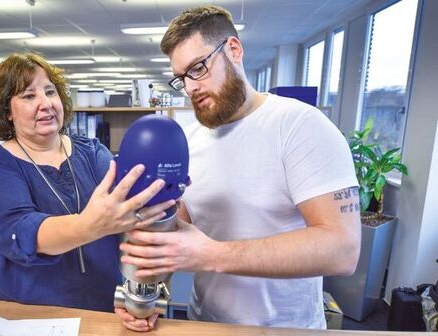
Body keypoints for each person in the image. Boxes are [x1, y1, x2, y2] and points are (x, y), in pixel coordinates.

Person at [116, 5, 361, 330]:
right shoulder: (187, 140)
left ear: (233, 49)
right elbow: (180, 235)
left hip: (286, 328)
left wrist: (212, 255)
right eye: (181, 78)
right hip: (205, 323)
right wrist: (145, 292)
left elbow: (342, 249)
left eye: (198, 68)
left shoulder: (300, 126)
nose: (190, 87)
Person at [0, 52, 175, 312]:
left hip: (99, 304)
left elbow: (130, 208)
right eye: (29, 96)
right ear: (7, 111)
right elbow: (20, 233)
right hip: (24, 311)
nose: (45, 103)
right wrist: (91, 224)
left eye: (50, 92)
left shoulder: (92, 152)